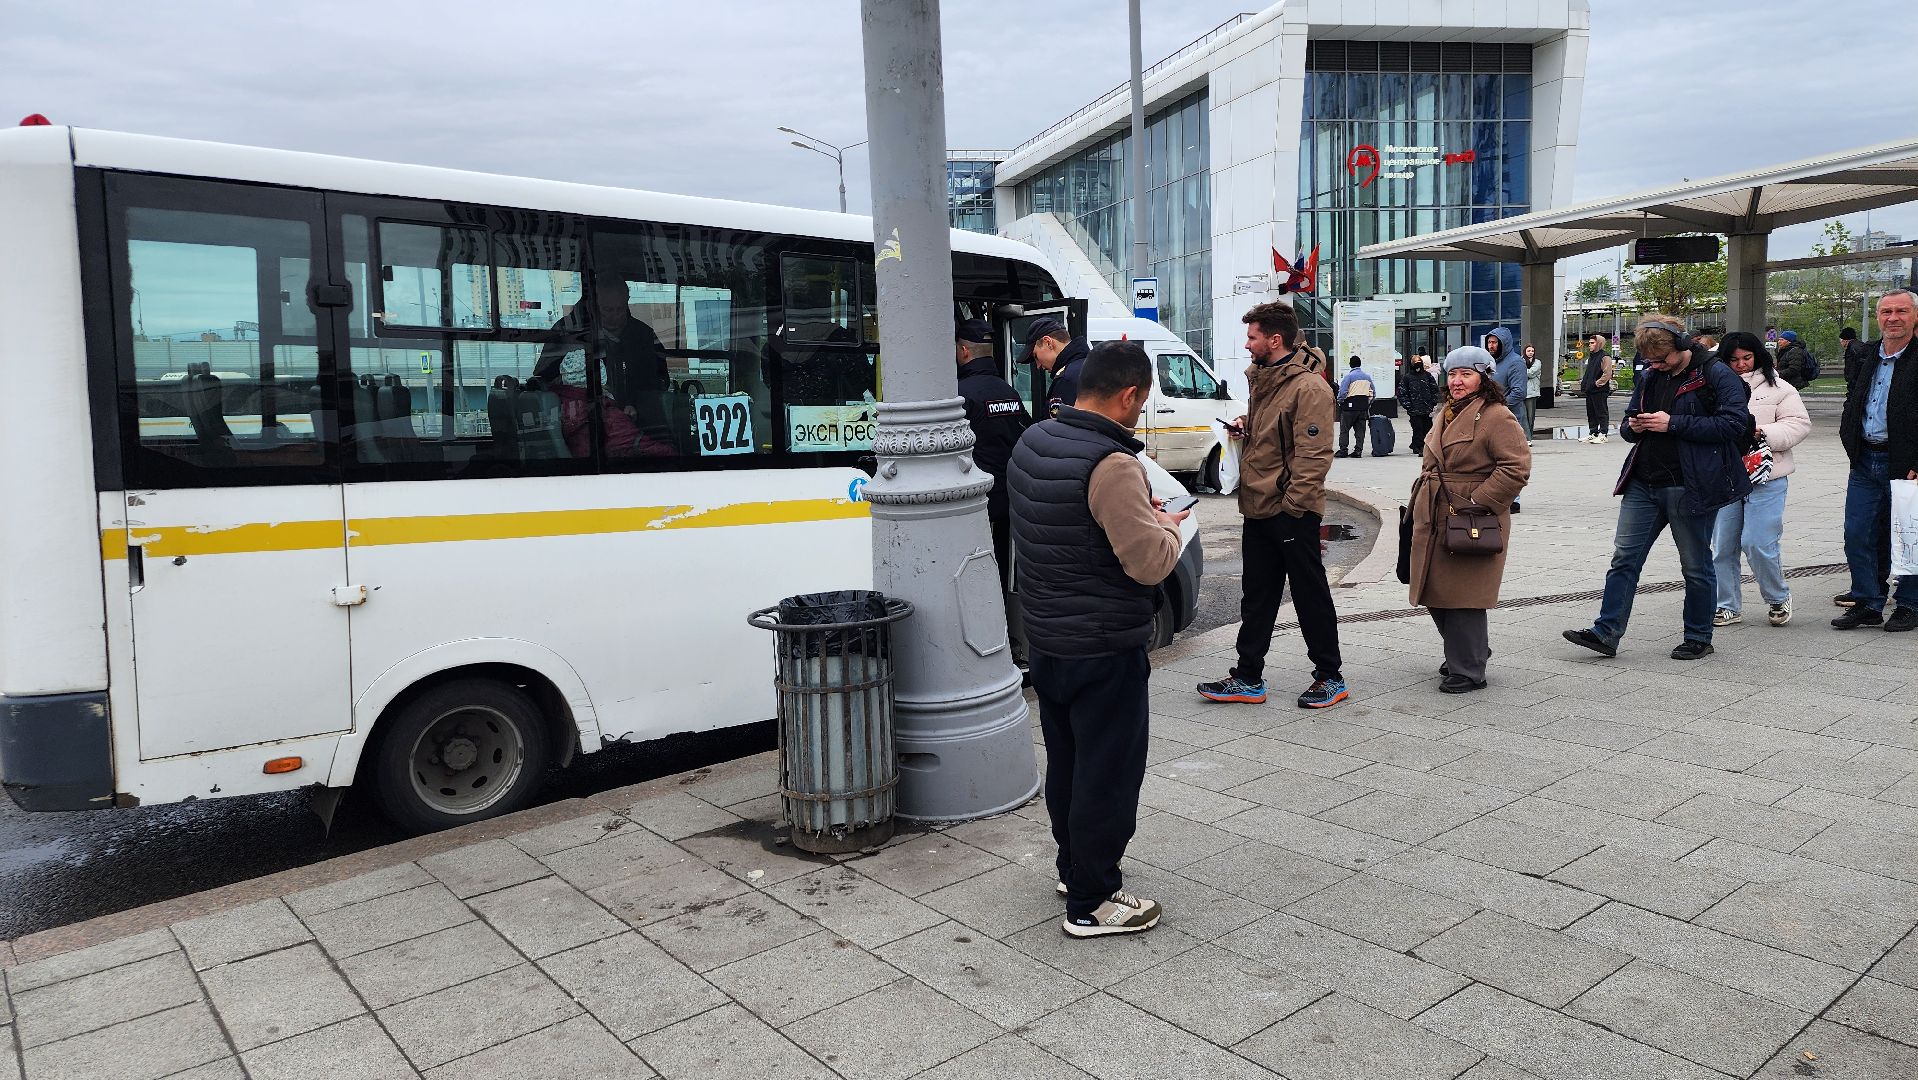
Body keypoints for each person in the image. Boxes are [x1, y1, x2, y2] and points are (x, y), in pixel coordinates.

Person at [1006, 339, 1186, 938]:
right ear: (1129, 394)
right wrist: (1166, 529)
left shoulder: (1036, 439)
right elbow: (1148, 564)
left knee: (1070, 765)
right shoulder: (1111, 464)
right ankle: (1092, 901)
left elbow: (1054, 529)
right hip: (1104, 643)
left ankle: (1072, 866)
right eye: (1143, 400)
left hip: (1049, 638)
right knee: (1108, 773)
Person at [1563, 315, 1752, 660]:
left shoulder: (1716, 372)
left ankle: (1698, 636)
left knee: (1695, 565)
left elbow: (1734, 424)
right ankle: (1605, 632)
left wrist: (1673, 423)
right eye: (1650, 361)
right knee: (1623, 559)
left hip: (1690, 484)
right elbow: (1628, 424)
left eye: (1662, 359)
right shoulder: (1650, 375)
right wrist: (1634, 426)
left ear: (1682, 346)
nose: (1656, 366)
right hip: (1643, 481)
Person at [1195, 301, 1347, 709]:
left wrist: (1293, 506)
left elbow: (1314, 455)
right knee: (1257, 594)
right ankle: (1247, 677)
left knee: (1308, 592)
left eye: (1252, 336)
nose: (1247, 345)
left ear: (1274, 340)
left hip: (1290, 509)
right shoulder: (1265, 378)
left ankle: (1330, 676)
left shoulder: (1309, 387)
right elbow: (1276, 434)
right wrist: (1248, 426)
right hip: (1258, 504)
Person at [1408, 346, 1532, 692]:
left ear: (1484, 378)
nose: (1457, 381)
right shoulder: (1446, 411)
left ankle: (1469, 668)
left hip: (1472, 516)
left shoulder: (1496, 416)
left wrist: (1477, 503)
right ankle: (1469, 651)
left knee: (1464, 595)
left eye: (1466, 374)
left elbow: (1516, 468)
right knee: (1432, 589)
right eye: (1452, 374)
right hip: (1435, 512)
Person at [1710, 332, 1811, 629]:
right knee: (1723, 545)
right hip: (1726, 475)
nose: (1741, 365)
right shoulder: (1713, 387)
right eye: (1733, 359)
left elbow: (1799, 424)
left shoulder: (1780, 387)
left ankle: (1777, 596)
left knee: (1757, 542)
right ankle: (1727, 605)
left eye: (1746, 358)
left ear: (1758, 356)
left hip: (1767, 475)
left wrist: (1762, 432)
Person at [1834, 289, 1918, 631]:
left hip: (1906, 465)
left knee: (1908, 533)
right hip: (1865, 460)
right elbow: (1854, 401)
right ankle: (1868, 601)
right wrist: (1850, 440)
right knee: (1858, 533)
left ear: (1914, 317)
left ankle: (1910, 603)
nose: (1892, 318)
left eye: (1901, 311)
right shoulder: (1868, 355)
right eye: (1886, 311)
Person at [956, 318, 1033, 655]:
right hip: (1008, 497)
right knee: (998, 569)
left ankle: (980, 641)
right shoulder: (1009, 392)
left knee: (971, 573)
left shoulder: (959, 395)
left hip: (975, 503)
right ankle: (1001, 637)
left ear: (963, 351)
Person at [1486, 328, 1525, 511]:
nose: (1491, 346)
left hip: (1510, 418)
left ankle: (1514, 499)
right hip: (1492, 418)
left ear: (1504, 343)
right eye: (1489, 342)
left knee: (1510, 460)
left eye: (1494, 342)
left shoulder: (1516, 363)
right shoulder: (1490, 363)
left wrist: (1498, 406)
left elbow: (1519, 391)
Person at [1018, 317, 1090, 418]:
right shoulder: (1093, 366)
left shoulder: (1066, 379)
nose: (1038, 366)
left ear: (1048, 342)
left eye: (1035, 356)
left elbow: (1059, 430)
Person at [1400, 352, 1440, 454]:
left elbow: (1434, 389)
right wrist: (1408, 406)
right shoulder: (1407, 378)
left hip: (1427, 408)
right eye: (1415, 362)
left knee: (1427, 428)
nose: (1417, 365)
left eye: (1419, 362)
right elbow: (1402, 393)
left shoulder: (1427, 375)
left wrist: (1433, 403)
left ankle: (1424, 445)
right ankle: (1418, 446)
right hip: (1415, 409)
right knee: (1417, 428)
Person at [1336, 355, 1374, 458]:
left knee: (1344, 429)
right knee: (1360, 430)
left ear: (1350, 364)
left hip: (1349, 407)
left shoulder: (1349, 377)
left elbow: (1343, 392)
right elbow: (1373, 393)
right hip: (1362, 407)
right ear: (1360, 364)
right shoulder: (1367, 377)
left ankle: (1343, 450)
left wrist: (1340, 401)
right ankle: (1358, 450)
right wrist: (1367, 402)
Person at [1581, 333, 1616, 443]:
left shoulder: (1605, 357)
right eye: (1589, 343)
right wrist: (1585, 384)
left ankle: (1603, 434)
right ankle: (1593, 432)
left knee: (1601, 411)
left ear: (1599, 344)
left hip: (1600, 390)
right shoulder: (1592, 357)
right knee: (1591, 412)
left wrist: (1597, 384)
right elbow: (1589, 372)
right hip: (1590, 390)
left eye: (1592, 343)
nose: (1590, 345)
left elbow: (1607, 374)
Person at [1521, 343, 1542, 447]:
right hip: (1522, 392)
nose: (1531, 353)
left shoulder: (1537, 362)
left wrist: (1520, 371)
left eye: (1532, 351)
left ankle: (1529, 438)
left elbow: (1531, 373)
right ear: (1525, 351)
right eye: (1529, 351)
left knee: (1530, 416)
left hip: (1532, 393)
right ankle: (1523, 437)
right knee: (1522, 415)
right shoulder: (1520, 361)